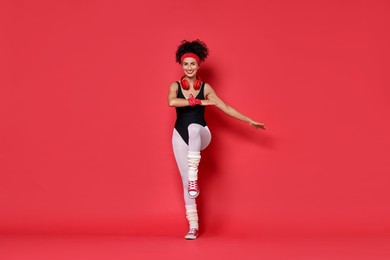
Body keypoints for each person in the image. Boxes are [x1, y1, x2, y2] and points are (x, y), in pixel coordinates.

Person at [168, 39, 266, 240]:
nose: (189, 67)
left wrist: (249, 120)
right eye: (185, 64)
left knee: (194, 127)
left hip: (201, 134)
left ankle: (194, 174)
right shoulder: (175, 86)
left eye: (193, 64)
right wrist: (199, 101)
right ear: (181, 65)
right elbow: (172, 101)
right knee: (186, 182)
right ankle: (193, 226)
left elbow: (226, 108)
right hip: (180, 136)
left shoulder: (206, 87)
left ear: (198, 65)